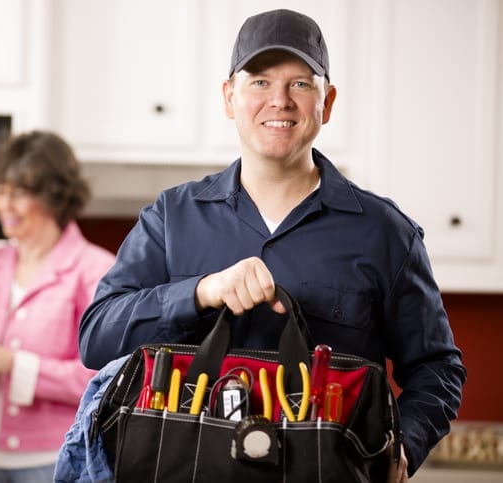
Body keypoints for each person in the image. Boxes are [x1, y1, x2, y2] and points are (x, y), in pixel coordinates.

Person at [78, 9, 465, 481]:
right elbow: (96, 338)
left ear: (328, 102)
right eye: (259, 82)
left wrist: (403, 445)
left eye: (301, 84)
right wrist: (200, 292)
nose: (279, 101)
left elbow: (437, 368)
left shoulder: (386, 232)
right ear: (229, 97)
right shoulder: (170, 217)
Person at [0, 130, 116, 483]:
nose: (3, 204)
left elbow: (105, 377)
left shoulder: (95, 270)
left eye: (19, 193)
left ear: (54, 196)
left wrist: (13, 364)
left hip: (56, 459)